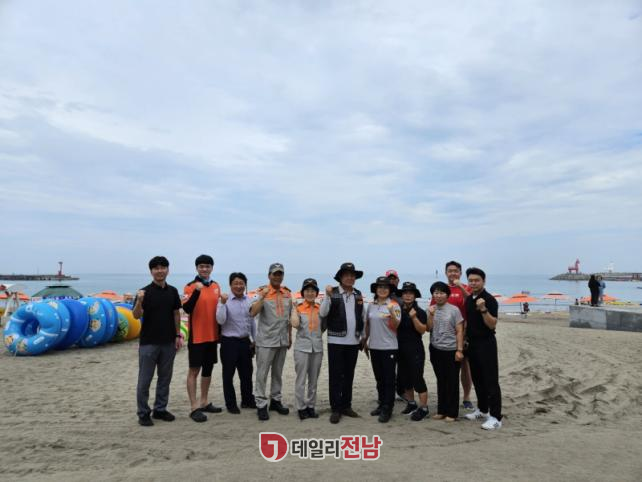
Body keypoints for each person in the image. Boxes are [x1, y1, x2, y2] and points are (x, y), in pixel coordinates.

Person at [132, 256, 183, 427]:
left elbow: (176, 313)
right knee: (144, 380)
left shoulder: (173, 291)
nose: (160, 271)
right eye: (156, 268)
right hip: (148, 343)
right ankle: (143, 413)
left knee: (164, 379)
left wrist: (178, 335)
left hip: (168, 342)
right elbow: (136, 315)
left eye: (163, 267)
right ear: (151, 271)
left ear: (168, 270)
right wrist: (139, 301)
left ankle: (160, 409)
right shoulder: (144, 292)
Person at [320, 262, 366, 424]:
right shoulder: (332, 292)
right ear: (340, 277)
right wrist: (327, 296)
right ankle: (336, 408)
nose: (350, 278)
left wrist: (363, 336)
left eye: (352, 275)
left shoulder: (358, 294)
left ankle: (346, 405)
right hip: (335, 340)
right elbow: (323, 312)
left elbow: (362, 317)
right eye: (346, 275)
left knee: (349, 375)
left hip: (353, 341)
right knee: (335, 375)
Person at [182, 254, 223, 423]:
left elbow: (219, 311)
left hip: (212, 336)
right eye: (201, 266)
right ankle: (194, 407)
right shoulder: (190, 286)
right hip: (197, 337)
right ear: (197, 268)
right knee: (194, 371)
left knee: (208, 370)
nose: (204, 269)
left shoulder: (216, 286)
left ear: (212, 268)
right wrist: (197, 291)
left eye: (207, 266)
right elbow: (187, 308)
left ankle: (204, 401)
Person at [250, 262, 293, 421]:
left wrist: (289, 336)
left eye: (280, 274)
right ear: (269, 275)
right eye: (275, 274)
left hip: (282, 340)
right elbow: (252, 313)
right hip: (266, 341)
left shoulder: (287, 293)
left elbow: (289, 318)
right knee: (262, 374)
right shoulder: (261, 292)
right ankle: (261, 404)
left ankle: (275, 400)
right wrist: (262, 297)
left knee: (277, 373)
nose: (277, 276)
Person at [463, 267, 502, 430]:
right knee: (477, 379)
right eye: (470, 280)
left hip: (486, 343)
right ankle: (483, 409)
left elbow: (492, 324)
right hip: (472, 344)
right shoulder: (469, 299)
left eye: (476, 280)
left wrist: (483, 309)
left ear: (483, 281)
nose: (473, 283)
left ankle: (496, 417)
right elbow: (468, 322)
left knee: (490, 380)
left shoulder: (489, 300)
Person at [431, 261, 474, 410]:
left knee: (465, 365)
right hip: (444, 335)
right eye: (450, 271)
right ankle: (446, 399)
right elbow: (433, 309)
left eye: (456, 271)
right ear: (446, 273)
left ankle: (466, 397)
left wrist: (460, 286)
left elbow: (472, 301)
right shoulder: (441, 289)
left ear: (460, 273)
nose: (453, 273)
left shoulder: (466, 288)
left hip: (464, 332)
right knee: (447, 368)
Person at [216, 272, 256, 414]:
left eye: (241, 283)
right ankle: (231, 404)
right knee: (228, 375)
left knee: (247, 374)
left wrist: (255, 340)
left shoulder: (248, 300)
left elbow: (252, 321)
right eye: (235, 283)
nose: (239, 286)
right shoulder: (224, 301)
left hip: (245, 342)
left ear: (245, 285)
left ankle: (247, 400)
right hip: (229, 342)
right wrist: (222, 303)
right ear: (230, 285)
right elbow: (220, 320)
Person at [364, 276, 402, 423]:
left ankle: (388, 408)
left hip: (389, 347)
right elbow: (368, 325)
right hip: (374, 347)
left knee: (389, 379)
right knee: (379, 378)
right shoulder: (371, 305)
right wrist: (365, 340)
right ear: (376, 289)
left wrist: (392, 313)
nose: (382, 289)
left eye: (385, 287)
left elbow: (396, 326)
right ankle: (381, 404)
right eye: (380, 287)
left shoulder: (393, 305)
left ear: (389, 290)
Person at [427, 281, 464, 422]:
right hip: (436, 349)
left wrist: (459, 350)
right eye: (436, 293)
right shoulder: (431, 309)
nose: (438, 295)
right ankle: (441, 410)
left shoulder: (454, 310)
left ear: (447, 295)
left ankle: (452, 413)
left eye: (442, 292)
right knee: (441, 380)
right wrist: (431, 315)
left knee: (452, 381)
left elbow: (459, 330)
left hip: (451, 349)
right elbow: (428, 328)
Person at [290, 278, 325, 420]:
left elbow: (323, 327)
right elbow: (295, 324)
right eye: (307, 291)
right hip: (302, 348)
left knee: (313, 380)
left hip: (317, 348)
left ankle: (311, 406)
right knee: (301, 379)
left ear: (316, 293)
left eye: (312, 291)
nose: (310, 293)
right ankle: (301, 407)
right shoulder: (298, 308)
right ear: (303, 293)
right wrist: (293, 308)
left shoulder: (320, 309)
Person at [396, 282, 430, 421]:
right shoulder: (398, 310)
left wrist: (414, 317)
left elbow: (423, 330)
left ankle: (424, 408)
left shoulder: (420, 311)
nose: (407, 295)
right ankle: (411, 403)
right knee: (405, 379)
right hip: (400, 349)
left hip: (415, 349)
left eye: (410, 293)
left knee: (417, 378)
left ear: (415, 296)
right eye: (405, 293)